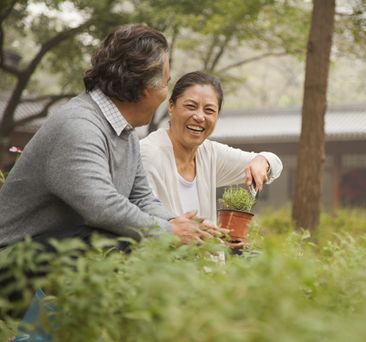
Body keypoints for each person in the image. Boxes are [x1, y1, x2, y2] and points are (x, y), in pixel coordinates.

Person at [0, 25, 221, 249]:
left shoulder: (125, 132)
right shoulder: (78, 126)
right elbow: (103, 208)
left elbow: (141, 198)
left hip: (56, 249)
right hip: (13, 259)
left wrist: (176, 223)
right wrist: (169, 231)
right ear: (146, 88)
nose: (166, 93)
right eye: (166, 83)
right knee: (119, 238)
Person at [140, 71, 283, 225]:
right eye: (191, 106)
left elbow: (275, 163)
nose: (200, 117)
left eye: (209, 110)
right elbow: (144, 222)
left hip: (207, 249)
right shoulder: (148, 154)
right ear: (171, 107)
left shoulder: (209, 153)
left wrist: (262, 161)